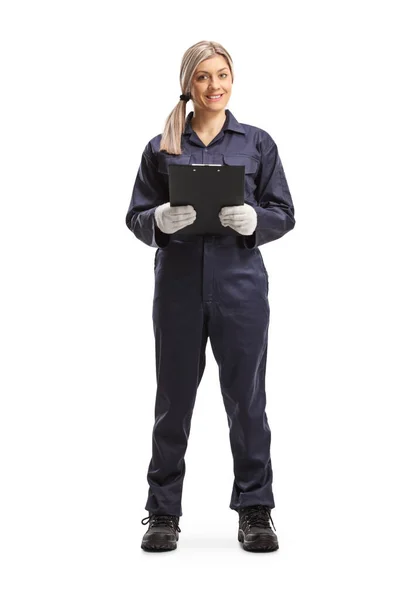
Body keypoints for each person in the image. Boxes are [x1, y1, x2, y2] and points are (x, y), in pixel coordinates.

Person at [125, 40, 296, 553]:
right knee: (172, 402)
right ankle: (162, 513)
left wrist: (256, 221)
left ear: (232, 79)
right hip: (176, 287)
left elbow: (284, 211)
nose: (214, 86)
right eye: (203, 77)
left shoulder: (257, 143)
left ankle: (255, 509)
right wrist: (156, 221)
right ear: (188, 85)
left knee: (247, 401)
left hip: (240, 286)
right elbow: (135, 215)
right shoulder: (161, 147)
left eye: (222, 74)